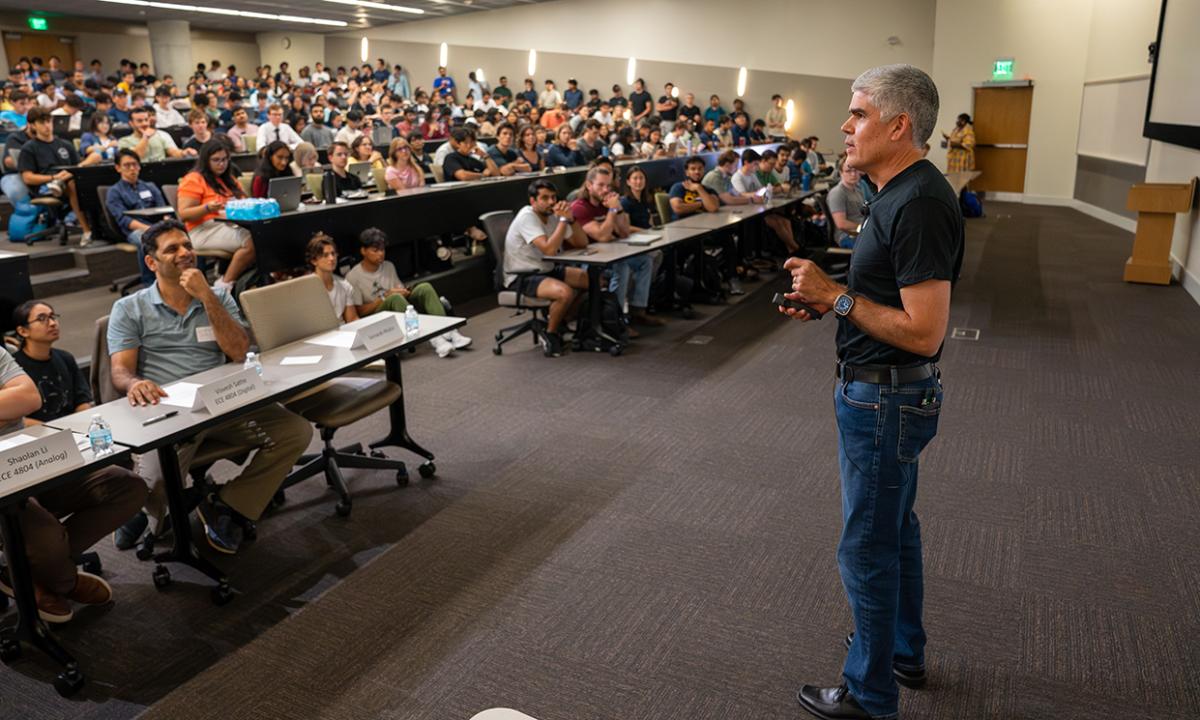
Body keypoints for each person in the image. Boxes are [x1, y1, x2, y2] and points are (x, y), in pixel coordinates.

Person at [783, 64, 963, 720]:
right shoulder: (895, 192)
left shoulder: (916, 202)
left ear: (898, 124)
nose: (844, 125)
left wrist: (837, 296)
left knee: (867, 545)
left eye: (858, 114)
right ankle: (902, 652)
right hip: (887, 396)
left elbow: (924, 331)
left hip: (885, 401)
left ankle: (869, 694)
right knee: (894, 530)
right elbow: (883, 299)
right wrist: (831, 305)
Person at [107, 219, 312, 554]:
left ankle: (227, 505)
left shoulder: (217, 296)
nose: (185, 253)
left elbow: (237, 350)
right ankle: (144, 514)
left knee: (295, 432)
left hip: (223, 400)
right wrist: (135, 383)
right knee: (157, 483)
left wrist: (207, 297)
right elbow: (120, 371)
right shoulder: (130, 308)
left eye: (187, 245)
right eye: (172, 249)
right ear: (151, 262)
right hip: (171, 409)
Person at [1, 313, 145, 624]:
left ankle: (21, 570)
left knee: (128, 486)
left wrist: (14, 409)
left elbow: (27, 397)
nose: (52, 321)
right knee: (47, 535)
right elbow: (16, 403)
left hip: (30, 454)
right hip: (4, 481)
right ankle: (63, 579)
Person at [345, 228, 470, 357]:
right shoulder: (353, 276)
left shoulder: (388, 266)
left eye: (382, 249)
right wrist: (385, 297)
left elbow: (398, 289)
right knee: (395, 298)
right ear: (363, 251)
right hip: (376, 317)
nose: (380, 254)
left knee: (424, 288)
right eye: (375, 250)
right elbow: (360, 312)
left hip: (397, 307)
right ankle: (436, 339)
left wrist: (403, 291)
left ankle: (450, 332)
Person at [504, 179, 588, 357]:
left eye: (553, 197)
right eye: (545, 198)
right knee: (564, 293)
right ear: (533, 201)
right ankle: (550, 334)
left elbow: (581, 242)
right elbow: (549, 249)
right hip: (522, 275)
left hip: (545, 268)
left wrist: (571, 219)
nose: (551, 202)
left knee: (589, 280)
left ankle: (562, 319)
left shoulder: (553, 215)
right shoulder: (527, 216)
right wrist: (563, 220)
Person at [572, 165, 659, 331]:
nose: (606, 190)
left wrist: (617, 208)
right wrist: (612, 210)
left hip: (609, 254)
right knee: (622, 267)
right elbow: (602, 236)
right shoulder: (579, 207)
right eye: (601, 185)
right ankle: (615, 320)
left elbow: (624, 232)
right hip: (586, 259)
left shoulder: (606, 203)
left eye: (608, 186)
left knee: (645, 261)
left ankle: (637, 310)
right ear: (589, 185)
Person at [176, 140, 254, 291]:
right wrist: (207, 208)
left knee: (264, 235)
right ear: (206, 160)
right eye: (216, 160)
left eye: (224, 159)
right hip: (201, 230)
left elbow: (244, 202)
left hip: (229, 224)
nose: (221, 164)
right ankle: (224, 286)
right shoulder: (194, 179)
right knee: (253, 241)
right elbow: (184, 214)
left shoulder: (228, 179)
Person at [18, 107, 100, 245]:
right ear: (33, 125)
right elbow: (27, 177)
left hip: (69, 179)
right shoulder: (29, 148)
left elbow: (75, 167)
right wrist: (54, 178)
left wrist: (81, 166)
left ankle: (102, 228)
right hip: (45, 187)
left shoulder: (65, 144)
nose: (47, 125)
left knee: (91, 170)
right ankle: (87, 231)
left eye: (49, 121)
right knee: (72, 183)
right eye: (42, 122)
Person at [105, 149, 165, 286]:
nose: (132, 169)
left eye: (135, 164)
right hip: (134, 230)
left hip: (157, 225)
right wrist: (150, 229)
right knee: (146, 241)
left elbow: (163, 208)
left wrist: (166, 223)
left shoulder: (149, 186)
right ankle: (149, 283)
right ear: (118, 168)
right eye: (127, 165)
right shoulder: (114, 192)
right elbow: (124, 220)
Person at [305, 233, 359, 324]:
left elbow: (352, 319)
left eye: (333, 254)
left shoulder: (345, 286)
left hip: (342, 332)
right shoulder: (305, 289)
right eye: (325, 255)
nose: (332, 258)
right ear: (314, 261)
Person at [118, 106, 189, 162]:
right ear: (131, 123)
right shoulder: (124, 141)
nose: (144, 123)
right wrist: (145, 138)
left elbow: (173, 152)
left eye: (146, 120)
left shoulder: (159, 137)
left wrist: (184, 152)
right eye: (140, 121)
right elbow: (135, 158)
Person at [827, 160, 866, 249]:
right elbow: (841, 224)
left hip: (860, 231)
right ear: (841, 173)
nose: (853, 174)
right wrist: (864, 227)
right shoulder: (837, 193)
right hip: (846, 236)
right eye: (848, 171)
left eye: (855, 170)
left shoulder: (858, 190)